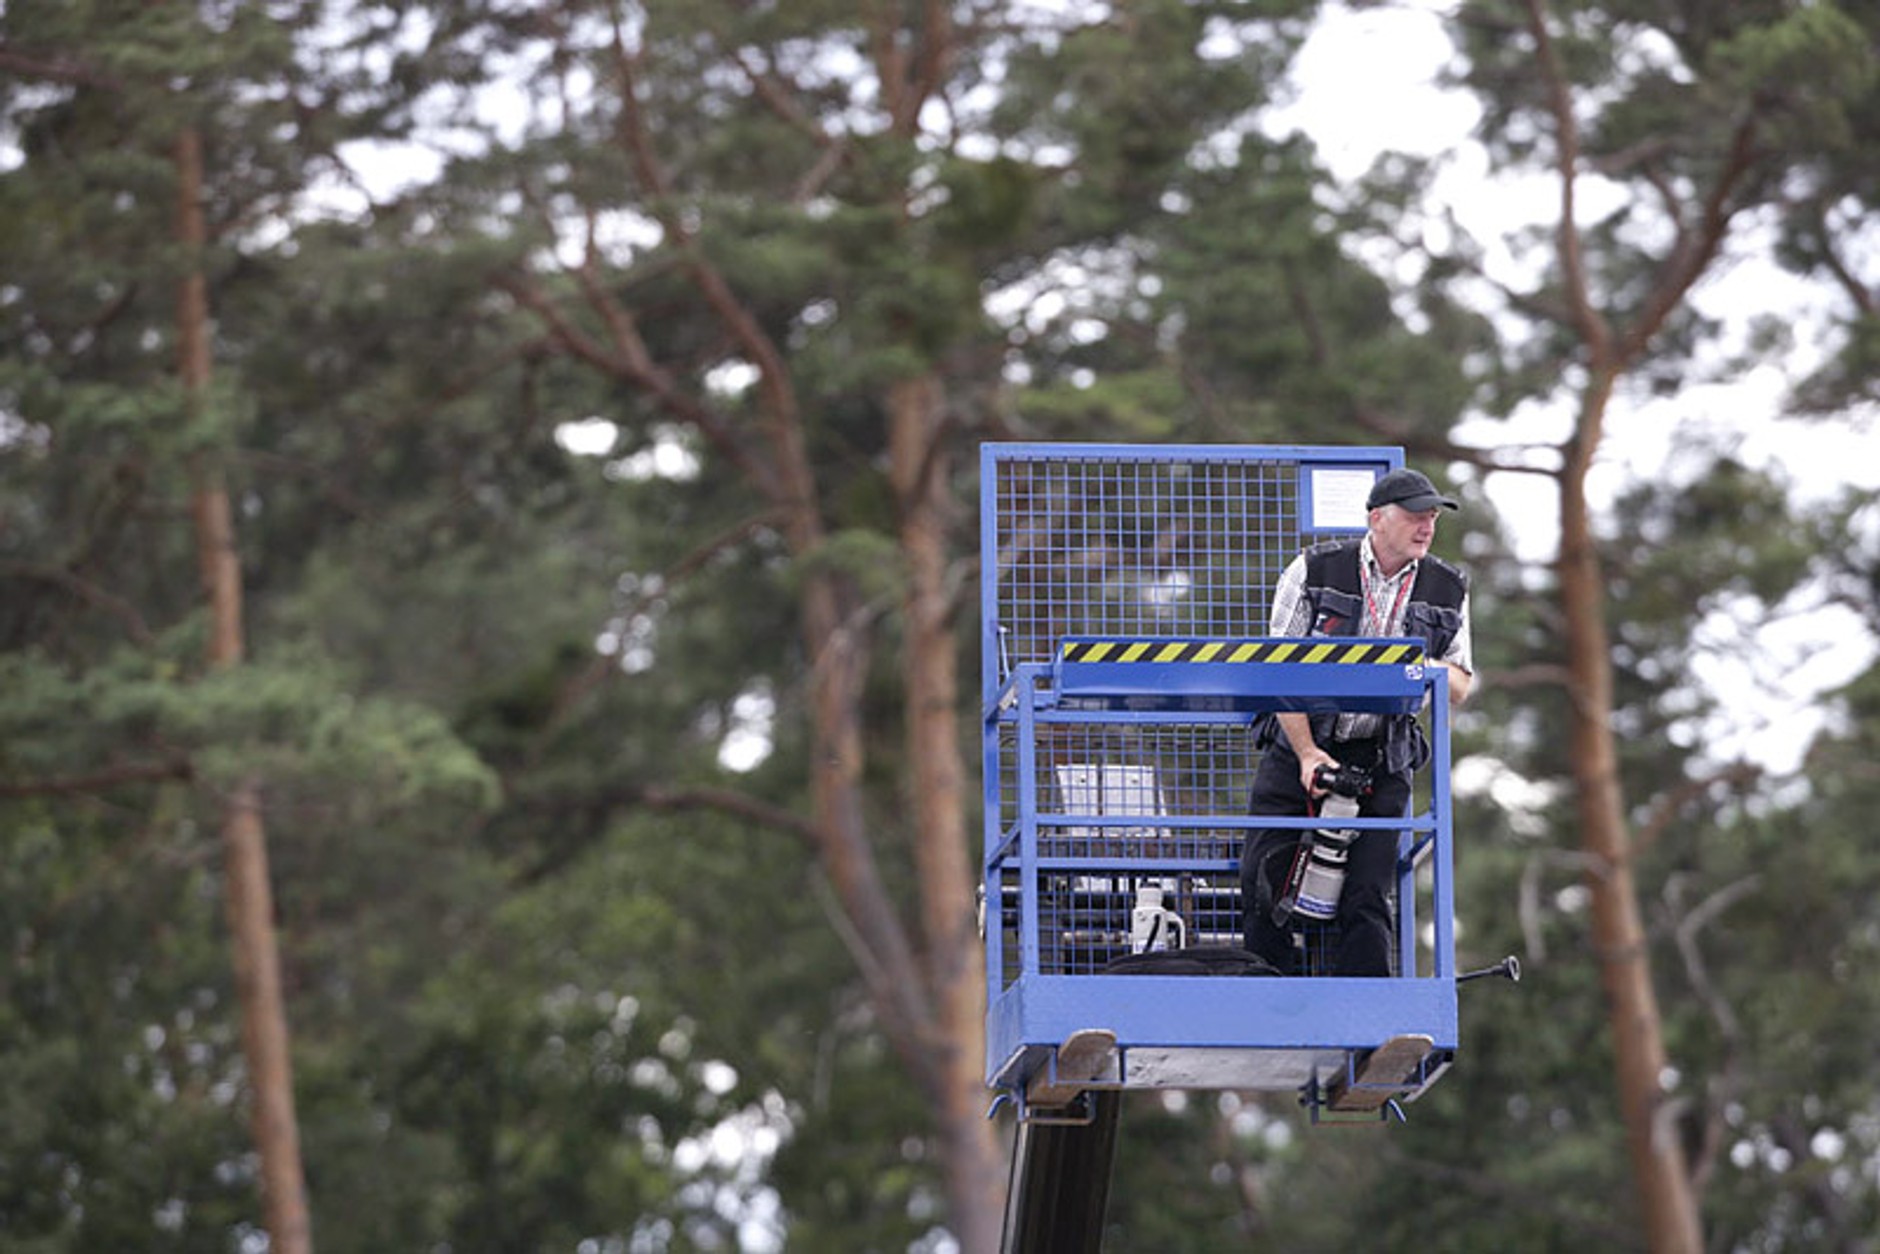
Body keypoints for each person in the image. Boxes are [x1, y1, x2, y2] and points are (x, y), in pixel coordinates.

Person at [1239, 467, 1474, 977]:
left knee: (1369, 893)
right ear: (1377, 519)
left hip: (1383, 757)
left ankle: (1367, 1020)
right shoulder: (1313, 569)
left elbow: (1459, 685)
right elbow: (1277, 669)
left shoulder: (1449, 586)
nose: (1426, 528)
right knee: (1262, 878)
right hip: (1299, 745)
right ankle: (1264, 1001)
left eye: (1431, 517)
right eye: (1415, 516)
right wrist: (1306, 754)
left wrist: (1423, 665)